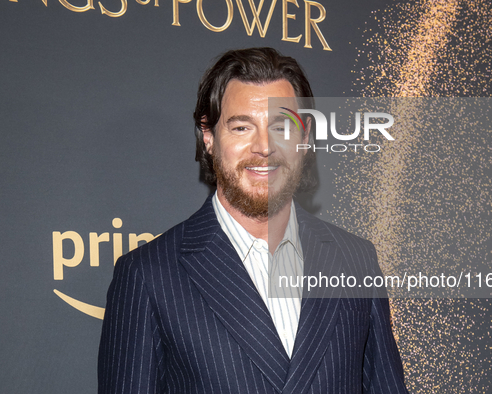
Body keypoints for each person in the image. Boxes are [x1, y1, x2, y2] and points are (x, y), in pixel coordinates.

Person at [98, 47, 409, 394]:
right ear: (209, 137)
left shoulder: (356, 261)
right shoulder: (149, 276)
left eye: (281, 126)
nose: (264, 146)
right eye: (242, 127)